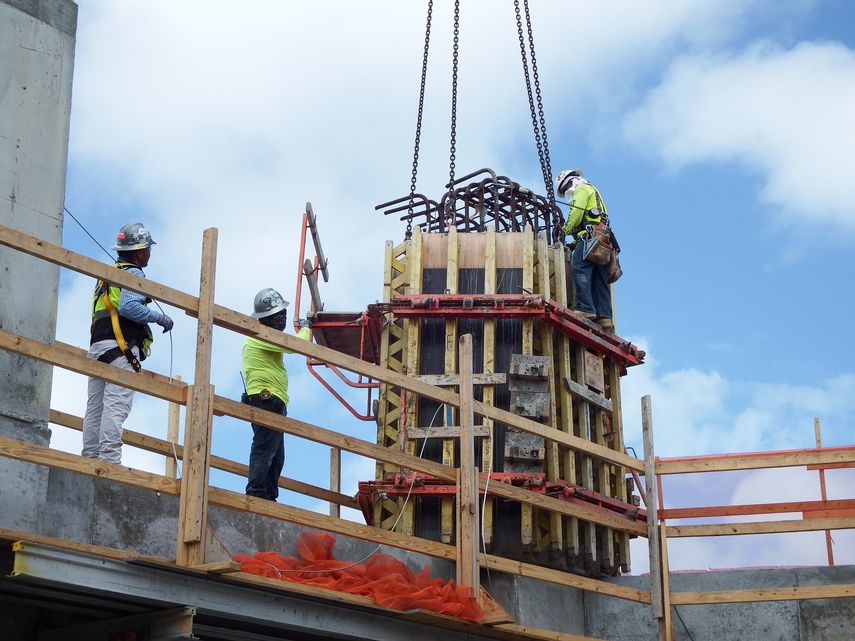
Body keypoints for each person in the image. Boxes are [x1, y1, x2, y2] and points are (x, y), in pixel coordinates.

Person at [82, 222, 174, 463]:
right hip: (121, 347)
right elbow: (129, 307)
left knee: (96, 407)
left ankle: (90, 457)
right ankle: (109, 462)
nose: (150, 255)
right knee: (115, 405)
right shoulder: (133, 273)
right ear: (140, 251)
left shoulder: (108, 275)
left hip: (98, 346)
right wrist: (160, 317)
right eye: (148, 250)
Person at [242, 288, 312, 501]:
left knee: (276, 453)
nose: (283, 319)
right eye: (279, 315)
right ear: (266, 319)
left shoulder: (264, 335)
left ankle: (268, 496)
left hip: (272, 399)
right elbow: (296, 346)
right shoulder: (259, 334)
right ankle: (256, 493)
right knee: (265, 447)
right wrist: (306, 329)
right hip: (265, 399)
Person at [557, 169, 615, 332]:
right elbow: (591, 218)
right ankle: (604, 317)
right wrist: (575, 242)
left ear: (571, 181)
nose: (566, 191)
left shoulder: (582, 189)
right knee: (600, 278)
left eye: (565, 188)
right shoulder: (593, 190)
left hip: (591, 237)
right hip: (603, 238)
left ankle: (586, 308)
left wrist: (564, 230)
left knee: (580, 268)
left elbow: (577, 212)